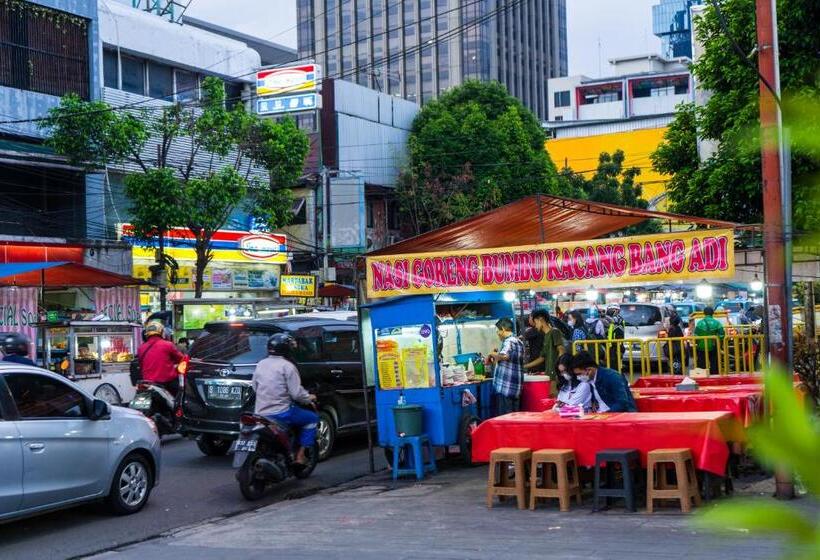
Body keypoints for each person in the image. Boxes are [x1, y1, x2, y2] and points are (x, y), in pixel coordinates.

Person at [252, 333, 318, 465]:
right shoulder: (288, 366)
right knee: (312, 418)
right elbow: (296, 394)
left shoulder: (261, 364)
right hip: (281, 413)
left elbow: (255, 387)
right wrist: (310, 397)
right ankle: (300, 456)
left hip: (260, 413)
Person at [570, 351, 637, 413]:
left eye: (579, 374)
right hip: (601, 415)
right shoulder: (590, 380)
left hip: (620, 416)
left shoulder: (612, 377)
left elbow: (622, 402)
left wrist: (606, 414)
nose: (578, 377)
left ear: (589, 370)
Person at [136, 320, 185, 396]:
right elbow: (182, 359)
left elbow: (141, 364)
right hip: (166, 382)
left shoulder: (141, 348)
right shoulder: (168, 345)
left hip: (147, 383)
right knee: (179, 397)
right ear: (162, 332)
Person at [487, 317, 525, 415]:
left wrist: (491, 354)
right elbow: (508, 362)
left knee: (505, 420)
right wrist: (496, 357)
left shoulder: (509, 341)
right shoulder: (519, 342)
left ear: (503, 329)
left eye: (497, 331)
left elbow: (504, 356)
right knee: (514, 420)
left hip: (506, 389)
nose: (498, 334)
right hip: (515, 389)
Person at [524, 309, 564, 375]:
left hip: (554, 372)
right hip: (548, 372)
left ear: (541, 320)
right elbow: (542, 358)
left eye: (536, 322)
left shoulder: (554, 332)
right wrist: (525, 366)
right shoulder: (546, 336)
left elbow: (561, 350)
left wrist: (559, 367)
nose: (536, 326)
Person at [694, 306, 725, 374]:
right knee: (714, 362)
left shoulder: (699, 323)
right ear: (713, 313)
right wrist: (717, 340)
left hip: (701, 347)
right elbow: (722, 335)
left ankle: (702, 376)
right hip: (713, 347)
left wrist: (698, 342)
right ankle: (714, 376)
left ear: (704, 313)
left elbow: (695, 335)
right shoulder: (717, 323)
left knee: (701, 363)